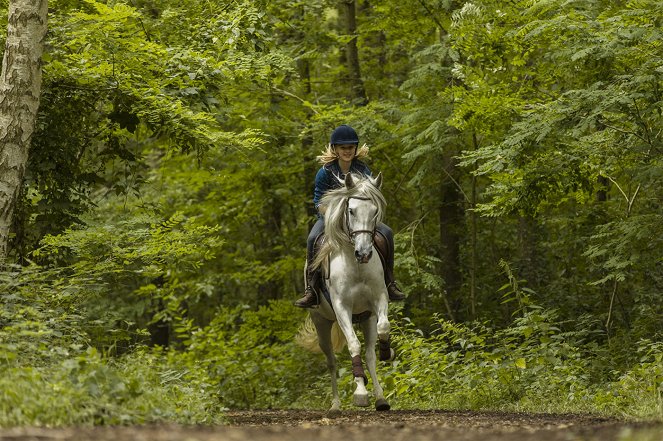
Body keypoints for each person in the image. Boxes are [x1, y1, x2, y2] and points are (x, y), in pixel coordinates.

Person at [294, 124, 406, 308]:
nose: (347, 151)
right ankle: (311, 290)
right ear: (335, 149)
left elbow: (370, 195)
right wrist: (333, 215)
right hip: (330, 220)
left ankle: (390, 281)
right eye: (343, 148)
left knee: (387, 233)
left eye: (350, 148)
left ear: (355, 149)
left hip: (360, 219)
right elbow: (318, 202)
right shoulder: (325, 172)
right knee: (313, 238)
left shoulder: (363, 170)